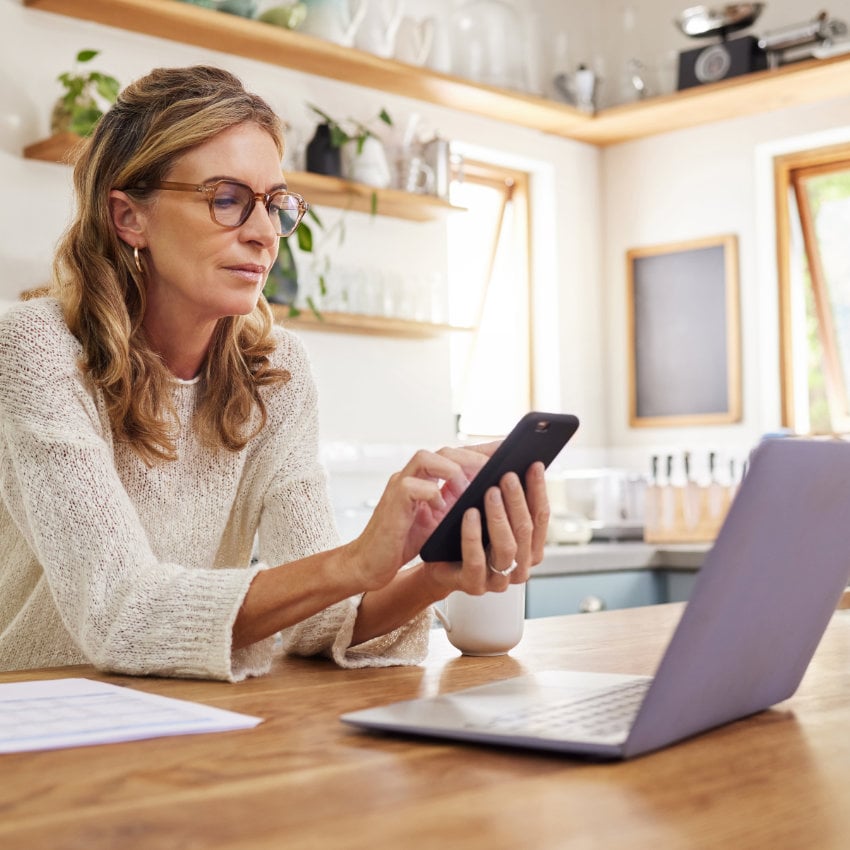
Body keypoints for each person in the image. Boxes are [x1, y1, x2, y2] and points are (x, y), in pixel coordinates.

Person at [0, 66, 549, 681]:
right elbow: (121, 613)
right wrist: (354, 561)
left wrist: (432, 572)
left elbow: (320, 621)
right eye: (226, 200)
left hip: (185, 712)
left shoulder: (274, 371)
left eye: (275, 205)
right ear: (129, 216)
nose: (265, 234)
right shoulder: (38, 349)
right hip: (32, 709)